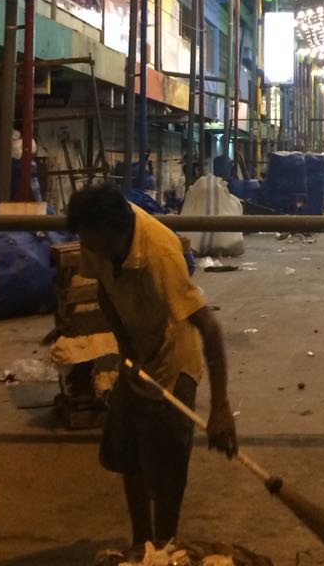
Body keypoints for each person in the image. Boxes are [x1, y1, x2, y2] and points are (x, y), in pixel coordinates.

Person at [66, 183, 237, 558]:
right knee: (130, 459)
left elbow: (209, 328)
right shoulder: (95, 238)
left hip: (173, 363)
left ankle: (164, 550)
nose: (88, 249)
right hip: (138, 356)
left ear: (116, 232)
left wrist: (220, 407)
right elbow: (104, 291)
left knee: (166, 472)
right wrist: (125, 347)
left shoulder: (160, 255)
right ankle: (141, 545)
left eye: (94, 243)